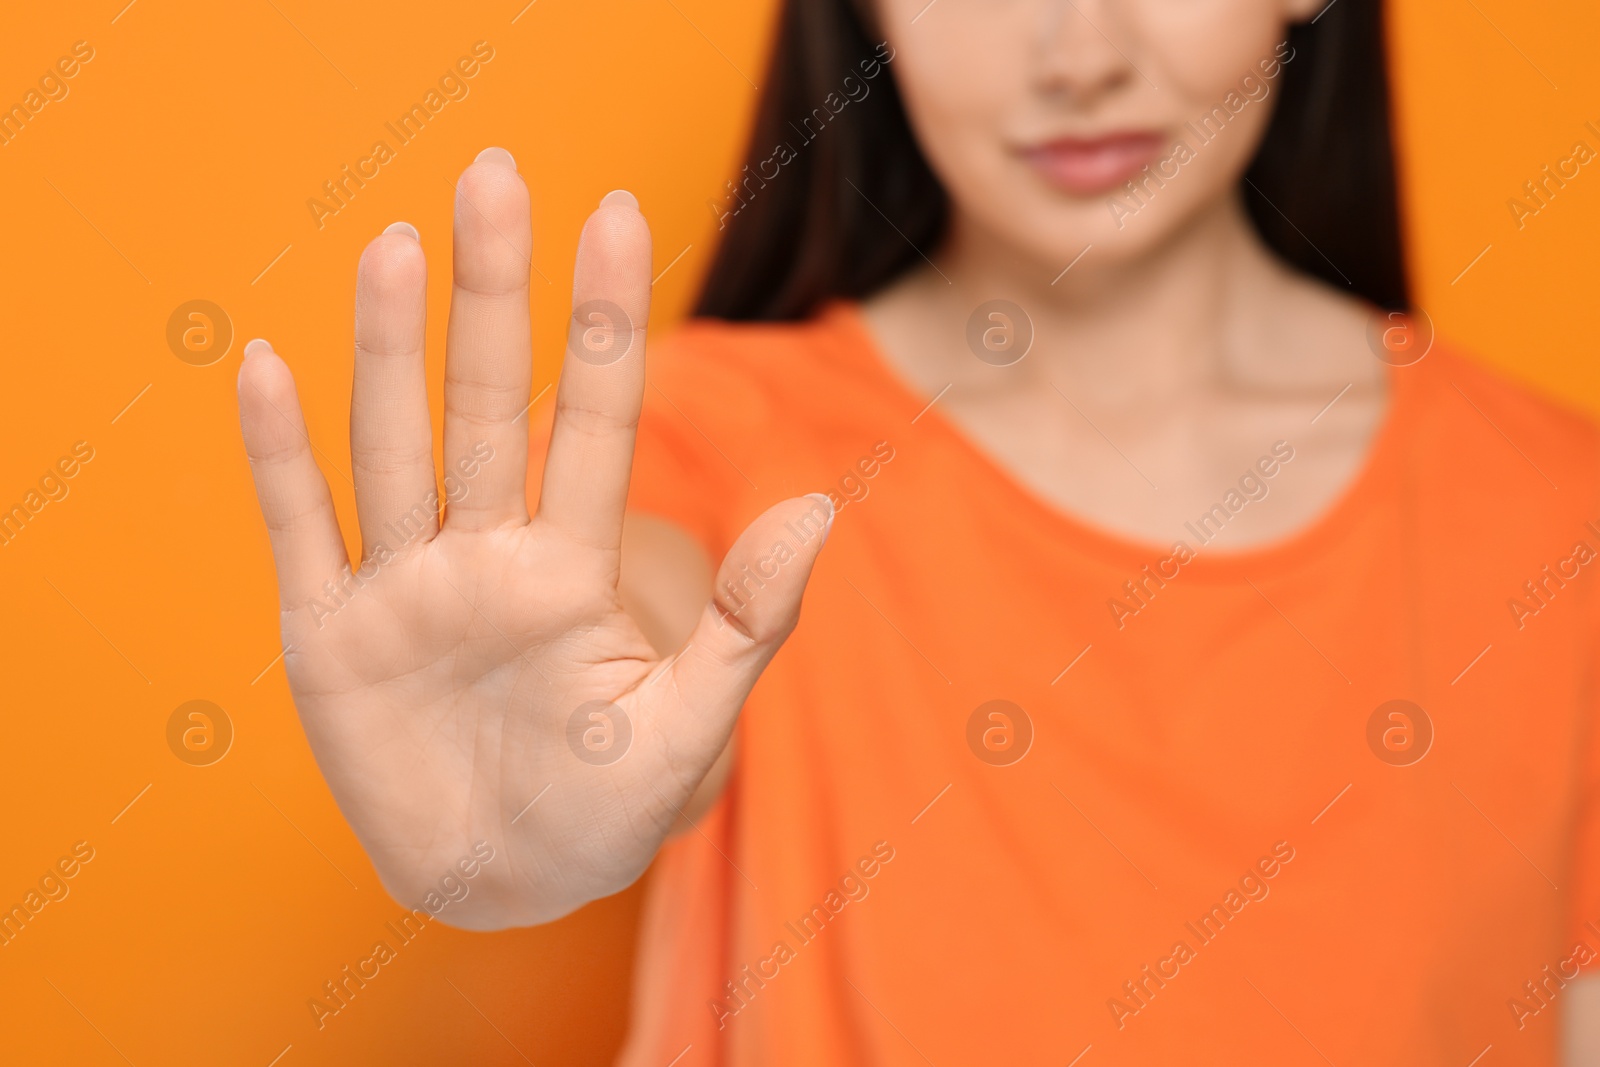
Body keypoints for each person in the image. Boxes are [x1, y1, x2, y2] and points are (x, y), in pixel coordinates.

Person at [235, 0, 1600, 1062]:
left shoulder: (1566, 520)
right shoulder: (709, 444)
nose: (1075, 54)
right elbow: (633, 616)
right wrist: (535, 798)